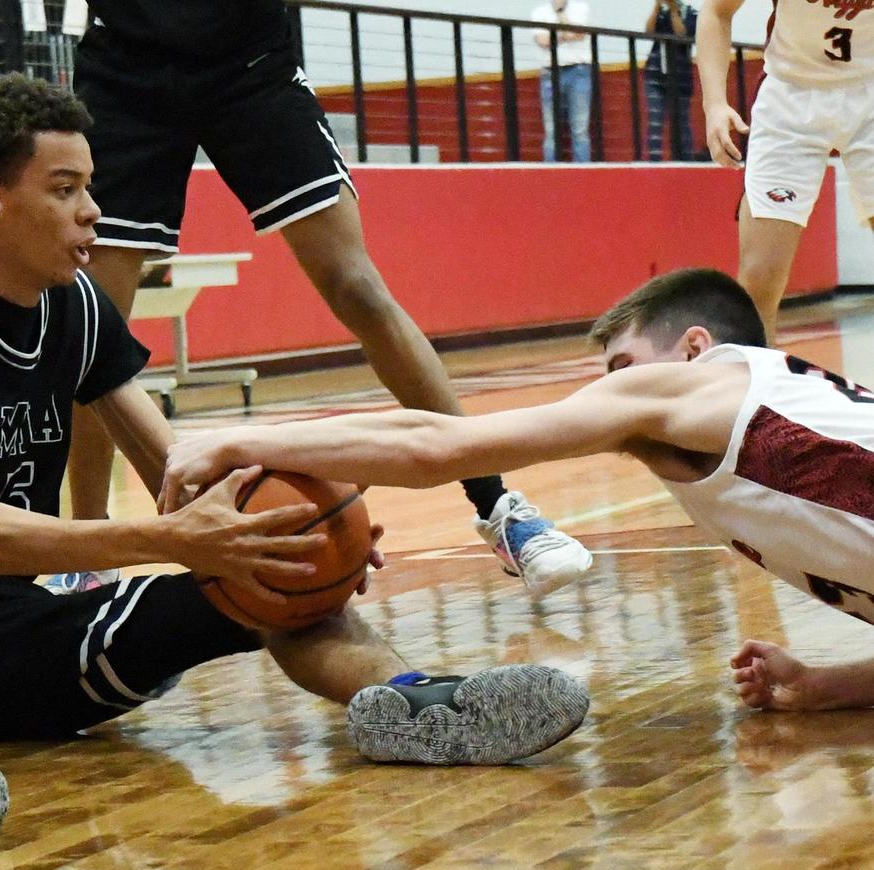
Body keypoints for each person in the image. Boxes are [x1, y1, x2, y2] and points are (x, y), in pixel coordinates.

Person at [0, 73, 589, 844]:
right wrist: (174, 538)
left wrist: (300, 534)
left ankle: (412, 701)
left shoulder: (77, 308)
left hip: (16, 635)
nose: (93, 211)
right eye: (65, 189)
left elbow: (181, 474)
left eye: (91, 187)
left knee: (270, 573)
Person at [160, 267, 874, 713]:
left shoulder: (695, 387)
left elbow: (437, 445)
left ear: (693, 348)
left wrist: (240, 441)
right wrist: (820, 684)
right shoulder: (765, 419)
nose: (609, 390)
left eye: (622, 366)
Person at [65, 0, 593, 597]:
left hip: (248, 60)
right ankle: (90, 553)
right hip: (126, 72)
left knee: (357, 288)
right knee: (93, 320)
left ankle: (499, 508)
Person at [697, 0, 874, 342]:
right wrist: (714, 104)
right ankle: (758, 374)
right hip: (791, 93)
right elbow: (717, 11)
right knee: (759, 280)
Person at [531, 0, 593, 163]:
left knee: (580, 129)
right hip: (550, 74)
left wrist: (560, 14)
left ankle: (583, 173)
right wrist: (567, 34)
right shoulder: (539, 12)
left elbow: (579, 34)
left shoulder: (581, 8)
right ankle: (550, 173)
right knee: (551, 130)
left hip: (579, 71)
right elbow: (543, 41)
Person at [644, 0, 698, 161]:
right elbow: (648, 32)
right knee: (655, 122)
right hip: (655, 74)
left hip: (680, 76)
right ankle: (654, 163)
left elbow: (682, 34)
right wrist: (656, 7)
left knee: (682, 122)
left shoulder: (691, 13)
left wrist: (674, 10)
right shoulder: (660, 12)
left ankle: (686, 163)